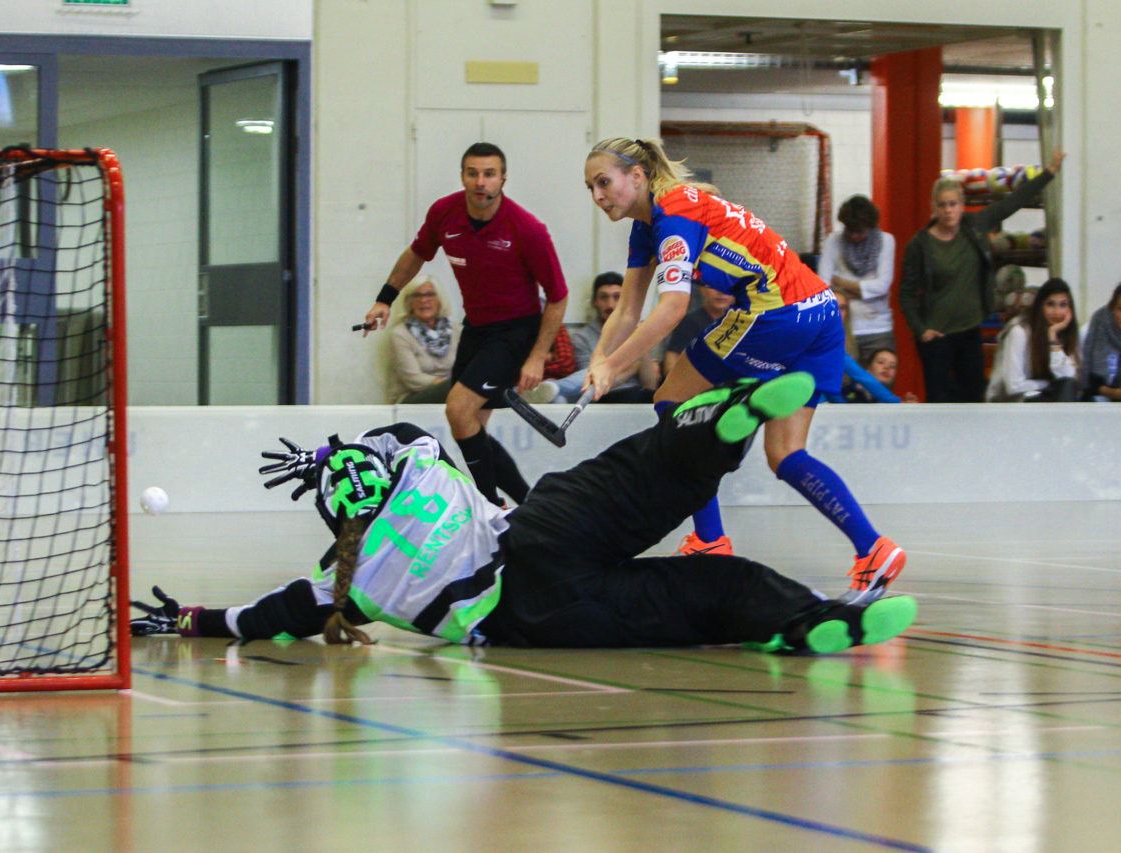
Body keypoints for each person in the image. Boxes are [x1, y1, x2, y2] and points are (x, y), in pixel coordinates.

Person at [130, 373, 918, 655]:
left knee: (698, 594)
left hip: (535, 613)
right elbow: (399, 432)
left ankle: (808, 621)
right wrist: (328, 451)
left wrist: (191, 621)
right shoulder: (415, 465)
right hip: (537, 531)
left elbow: (266, 617)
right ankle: (726, 420)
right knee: (641, 474)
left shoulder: (352, 581)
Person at [581, 137, 903, 603]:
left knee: (672, 401)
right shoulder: (652, 224)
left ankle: (710, 538)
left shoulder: (672, 215)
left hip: (775, 312)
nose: (597, 195)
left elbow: (671, 309)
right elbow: (628, 310)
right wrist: (599, 359)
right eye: (590, 187)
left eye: (604, 182)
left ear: (637, 176)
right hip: (820, 311)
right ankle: (873, 549)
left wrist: (615, 364)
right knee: (786, 455)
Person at [362, 142, 569, 507]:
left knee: (458, 410)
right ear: (462, 176)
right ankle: (529, 504)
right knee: (469, 427)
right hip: (475, 329)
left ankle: (487, 505)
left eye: (489, 174)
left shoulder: (527, 228)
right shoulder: (445, 212)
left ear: (503, 178)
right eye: (472, 173)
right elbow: (416, 254)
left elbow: (558, 295)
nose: (480, 181)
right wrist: (384, 299)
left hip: (516, 331)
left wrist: (537, 356)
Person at [899, 152, 1066, 402]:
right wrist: (921, 329)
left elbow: (1013, 202)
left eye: (953, 204)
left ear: (962, 204)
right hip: (937, 338)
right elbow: (905, 292)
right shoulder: (920, 244)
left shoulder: (976, 226)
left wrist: (1049, 173)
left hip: (969, 331)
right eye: (942, 205)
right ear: (933, 207)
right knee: (939, 401)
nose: (948, 211)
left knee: (974, 397)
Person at [531, 271, 660, 403]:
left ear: (625, 301)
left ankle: (554, 387)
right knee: (560, 399)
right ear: (594, 302)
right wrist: (634, 367)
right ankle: (551, 388)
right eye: (604, 297)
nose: (610, 305)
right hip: (601, 398)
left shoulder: (637, 330)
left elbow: (650, 385)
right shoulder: (582, 337)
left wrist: (640, 341)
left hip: (635, 396)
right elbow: (591, 383)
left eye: (617, 297)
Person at [818, 195, 897, 362]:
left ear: (871, 226)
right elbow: (823, 286)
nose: (853, 236)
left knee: (877, 386)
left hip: (878, 328)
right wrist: (866, 290)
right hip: (844, 329)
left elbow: (882, 286)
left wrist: (839, 283)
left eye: (859, 231)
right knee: (843, 385)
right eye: (849, 230)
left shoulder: (886, 241)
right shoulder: (834, 241)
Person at [985, 278, 1080, 402]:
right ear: (1040, 306)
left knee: (1068, 385)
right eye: (1050, 304)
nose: (1057, 312)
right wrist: (1049, 384)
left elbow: (1068, 377)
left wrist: (1053, 339)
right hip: (1014, 402)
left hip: (1046, 400)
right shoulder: (1020, 331)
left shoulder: (1063, 334)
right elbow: (1013, 386)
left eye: (1063, 305)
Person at [387, 276, 458, 404]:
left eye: (430, 294)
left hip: (453, 394)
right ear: (409, 302)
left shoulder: (457, 330)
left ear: (439, 300)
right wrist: (451, 386)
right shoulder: (400, 334)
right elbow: (413, 380)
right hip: (412, 398)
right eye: (417, 296)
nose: (424, 300)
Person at [663, 285, 735, 380]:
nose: (721, 293)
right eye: (713, 286)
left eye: (727, 286)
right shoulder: (690, 322)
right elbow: (672, 360)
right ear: (702, 290)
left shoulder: (743, 324)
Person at [1080, 282, 1121, 402]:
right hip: (1099, 401)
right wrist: (1114, 393)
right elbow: (1091, 381)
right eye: (1120, 308)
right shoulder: (1101, 322)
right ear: (1112, 309)